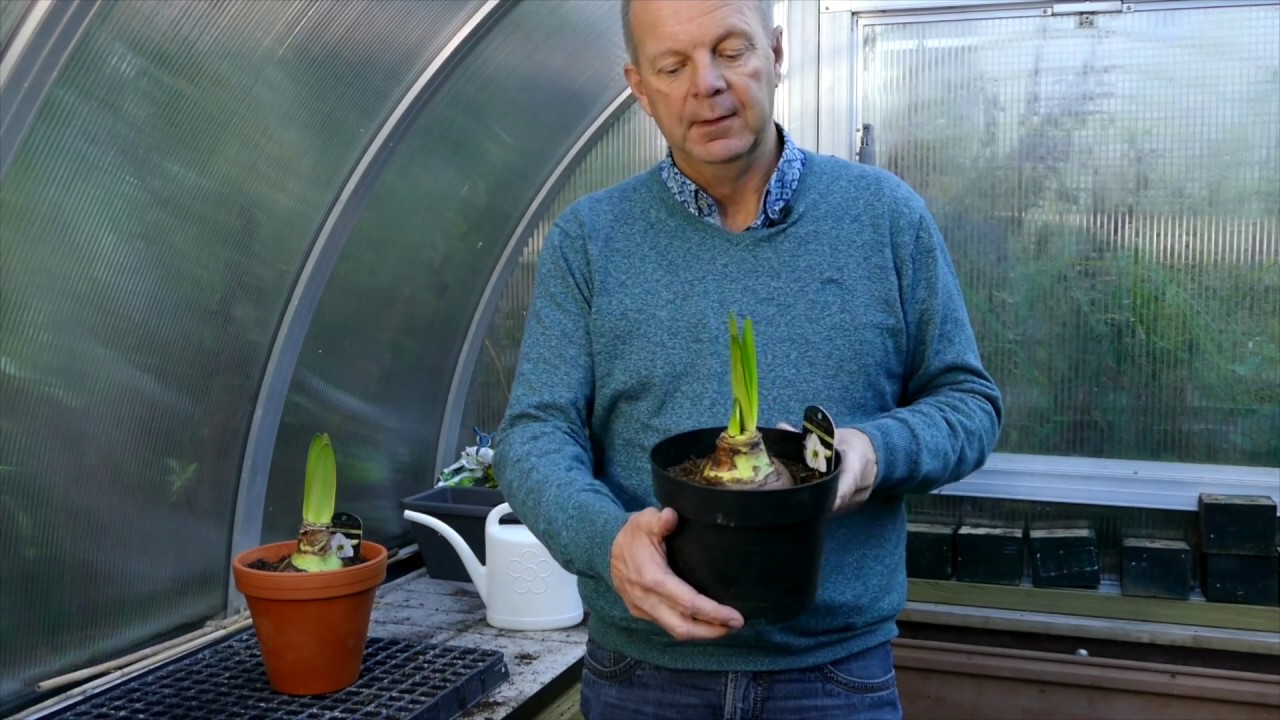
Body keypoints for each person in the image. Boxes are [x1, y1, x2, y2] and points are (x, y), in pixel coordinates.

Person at [492, 0, 1003, 717]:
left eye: (731, 51)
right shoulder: (590, 240)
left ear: (776, 52)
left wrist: (872, 451)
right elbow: (534, 433)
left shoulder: (884, 217)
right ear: (639, 88)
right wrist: (607, 542)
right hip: (644, 678)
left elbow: (968, 403)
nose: (707, 84)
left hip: (833, 680)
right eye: (673, 66)